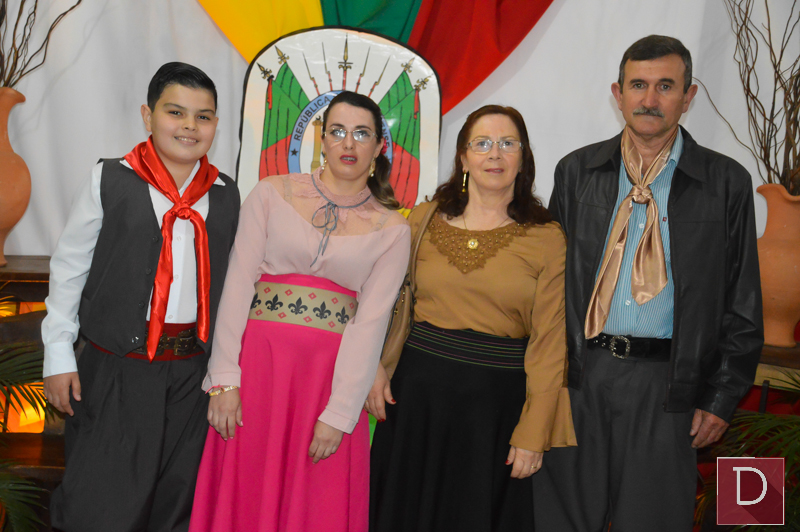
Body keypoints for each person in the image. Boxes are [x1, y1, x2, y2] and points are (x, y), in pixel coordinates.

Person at [533, 35, 763, 532]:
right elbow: (546, 290)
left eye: (665, 86)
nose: (650, 99)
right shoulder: (576, 172)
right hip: (580, 379)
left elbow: (743, 302)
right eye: (638, 85)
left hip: (668, 386)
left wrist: (720, 398)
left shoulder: (726, 183)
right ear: (618, 94)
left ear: (689, 95)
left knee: (651, 521)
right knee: (559, 520)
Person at [188, 91, 410, 532]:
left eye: (362, 133)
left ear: (379, 147)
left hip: (326, 385)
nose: (349, 143)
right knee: (245, 494)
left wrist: (340, 413)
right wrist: (224, 379)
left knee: (314, 505)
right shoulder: (271, 193)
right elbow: (237, 285)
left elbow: (370, 326)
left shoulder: (393, 228)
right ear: (321, 139)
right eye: (338, 131)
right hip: (257, 372)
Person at [41, 62, 240, 532]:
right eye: (176, 112)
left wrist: (224, 377)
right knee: (100, 505)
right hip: (117, 367)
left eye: (203, 116)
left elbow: (233, 287)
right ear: (148, 116)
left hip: (191, 375)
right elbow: (69, 268)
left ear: (216, 124)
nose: (189, 126)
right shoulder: (110, 178)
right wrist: (57, 356)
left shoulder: (226, 193)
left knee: (174, 504)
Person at [369, 105, 576, 532]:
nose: (494, 154)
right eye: (481, 143)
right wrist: (374, 367)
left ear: (523, 157)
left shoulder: (547, 237)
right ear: (463, 157)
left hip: (494, 415)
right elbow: (384, 300)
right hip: (414, 404)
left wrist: (534, 431)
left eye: (507, 143)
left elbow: (550, 343)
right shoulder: (423, 218)